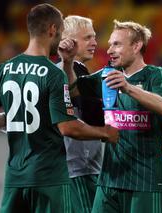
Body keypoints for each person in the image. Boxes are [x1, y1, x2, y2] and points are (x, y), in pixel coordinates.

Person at [0, 4, 118, 213]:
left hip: (15, 176)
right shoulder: (53, 74)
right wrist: (105, 132)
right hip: (50, 176)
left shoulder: (3, 69)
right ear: (53, 30)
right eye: (60, 32)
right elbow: (67, 127)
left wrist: (14, 119)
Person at [63, 20, 162, 213]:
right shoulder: (105, 76)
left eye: (117, 44)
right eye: (110, 44)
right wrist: (68, 62)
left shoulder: (157, 75)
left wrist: (127, 87)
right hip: (109, 181)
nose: (110, 50)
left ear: (137, 46)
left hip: (145, 183)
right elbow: (73, 90)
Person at [60, 15, 103, 213]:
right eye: (87, 38)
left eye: (93, 37)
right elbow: (91, 117)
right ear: (67, 40)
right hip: (79, 168)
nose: (94, 42)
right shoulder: (66, 73)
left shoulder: (77, 71)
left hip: (76, 168)